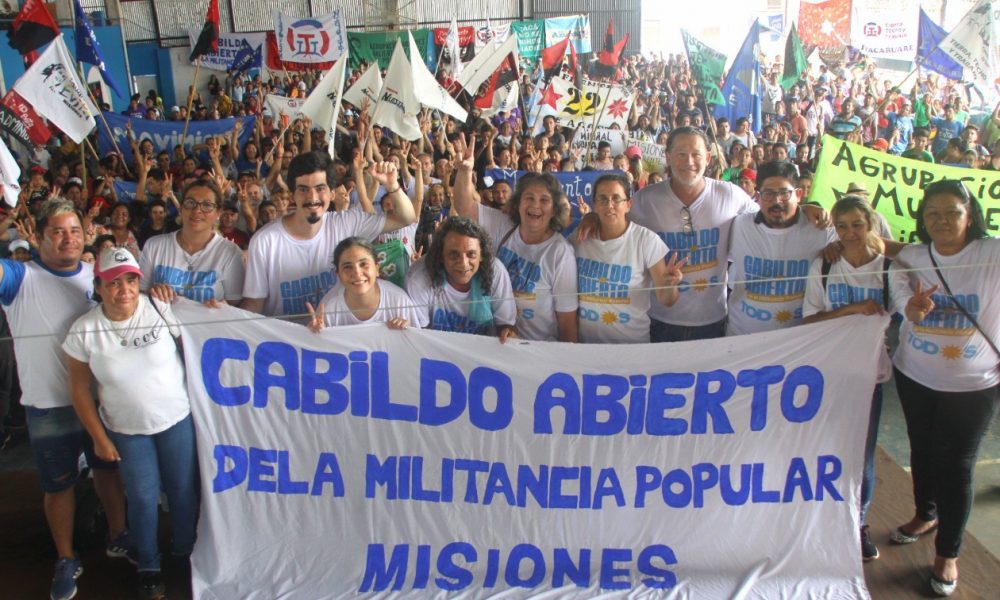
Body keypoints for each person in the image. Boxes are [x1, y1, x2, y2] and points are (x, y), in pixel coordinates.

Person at [0, 199, 128, 600]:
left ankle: (119, 535)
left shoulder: (101, 278)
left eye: (74, 230)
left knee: (108, 471)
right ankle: (66, 557)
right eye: (57, 231)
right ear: (37, 237)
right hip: (48, 406)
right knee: (59, 486)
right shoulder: (19, 278)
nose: (67, 238)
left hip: (102, 401)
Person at [65, 247, 198, 600]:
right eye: (113, 282)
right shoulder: (84, 329)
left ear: (139, 280)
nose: (123, 289)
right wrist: (98, 438)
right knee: (141, 497)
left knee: (183, 489)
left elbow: (196, 347)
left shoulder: (158, 306)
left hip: (175, 419)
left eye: (130, 279)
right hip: (125, 429)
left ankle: (185, 552)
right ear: (99, 286)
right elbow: (79, 388)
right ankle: (149, 566)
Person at [887, 179, 999, 597]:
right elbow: (890, 259)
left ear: (971, 215)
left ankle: (947, 553)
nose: (942, 220)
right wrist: (907, 306)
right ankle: (925, 514)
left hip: (974, 385)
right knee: (921, 449)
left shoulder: (993, 252)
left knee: (957, 467)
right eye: (932, 213)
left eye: (952, 211)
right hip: (915, 376)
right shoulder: (915, 256)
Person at [802, 195, 895, 563]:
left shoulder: (889, 269)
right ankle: (821, 517)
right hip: (828, 373)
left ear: (870, 223)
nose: (851, 233)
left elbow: (905, 310)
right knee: (823, 447)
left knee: (862, 454)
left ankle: (858, 522)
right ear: (834, 230)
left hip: (869, 375)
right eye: (842, 226)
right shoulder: (823, 266)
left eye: (858, 224)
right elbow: (809, 320)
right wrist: (853, 309)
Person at [242, 151, 416, 317]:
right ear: (292, 196)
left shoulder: (347, 223)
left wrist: (392, 186)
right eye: (303, 189)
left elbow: (406, 218)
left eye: (320, 188)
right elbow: (254, 306)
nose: (312, 197)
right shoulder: (264, 242)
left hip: (336, 337)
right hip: (288, 344)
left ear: (332, 193)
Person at [453, 136, 579, 342]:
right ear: (518, 203)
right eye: (529, 198)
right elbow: (463, 206)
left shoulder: (560, 253)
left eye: (544, 200)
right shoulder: (502, 224)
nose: (535, 206)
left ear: (554, 209)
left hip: (536, 354)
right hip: (495, 344)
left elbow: (567, 321)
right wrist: (465, 172)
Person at [726, 161, 838, 336]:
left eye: (785, 194)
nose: (776, 202)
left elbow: (863, 246)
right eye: (768, 194)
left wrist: (838, 245)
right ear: (759, 196)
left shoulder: (821, 229)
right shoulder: (739, 225)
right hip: (741, 337)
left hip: (797, 342)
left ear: (799, 194)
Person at [575, 173, 686, 343]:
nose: (610, 205)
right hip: (587, 347)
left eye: (616, 199)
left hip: (632, 347)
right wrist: (587, 218)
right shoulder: (581, 237)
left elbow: (667, 300)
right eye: (603, 199)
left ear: (628, 205)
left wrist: (670, 285)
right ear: (595, 205)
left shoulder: (646, 240)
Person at [406, 216, 517, 340]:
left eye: (471, 254)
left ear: (482, 255)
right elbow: (418, 335)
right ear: (441, 255)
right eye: (454, 254)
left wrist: (508, 333)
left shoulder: (495, 272)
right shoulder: (419, 277)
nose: (463, 263)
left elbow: (505, 324)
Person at [139, 179, 245, 305]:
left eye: (207, 205)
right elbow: (140, 294)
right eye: (190, 203)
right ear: (181, 208)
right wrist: (152, 293)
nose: (197, 210)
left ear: (218, 213)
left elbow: (236, 305)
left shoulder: (230, 253)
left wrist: (223, 308)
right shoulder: (154, 246)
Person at [307, 237, 421, 330]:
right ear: (338, 275)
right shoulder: (329, 308)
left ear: (377, 269)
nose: (357, 273)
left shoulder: (399, 301)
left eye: (363, 264)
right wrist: (317, 336)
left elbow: (417, 347)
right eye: (347, 267)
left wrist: (406, 332)